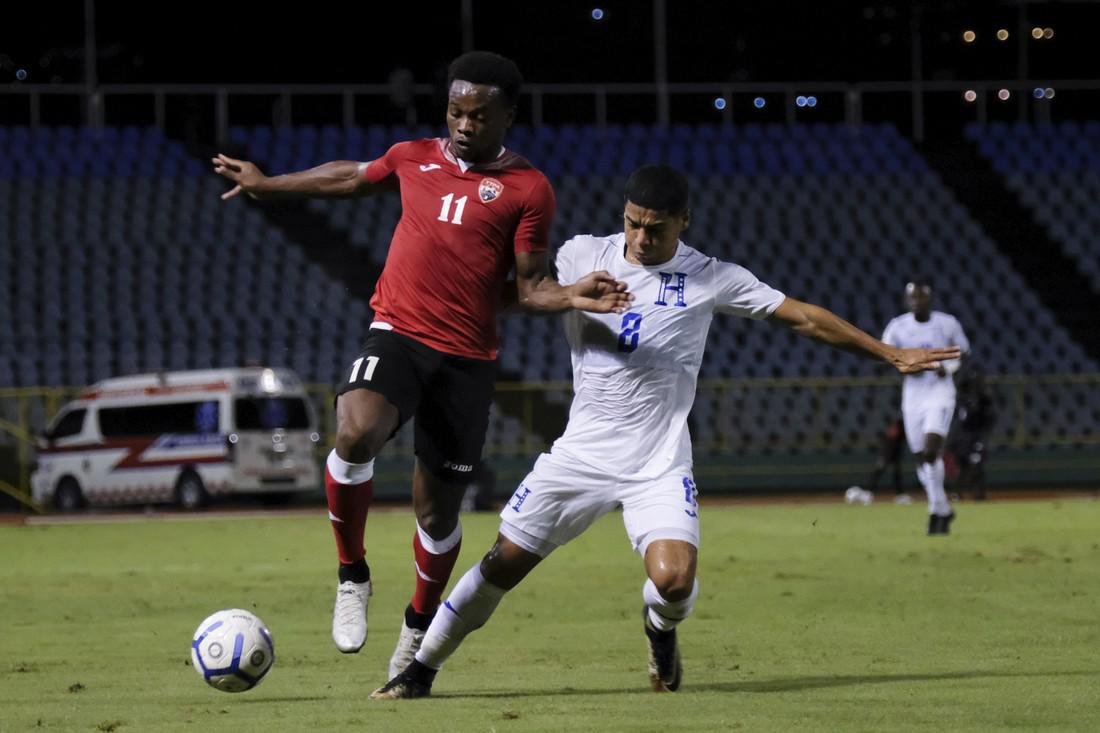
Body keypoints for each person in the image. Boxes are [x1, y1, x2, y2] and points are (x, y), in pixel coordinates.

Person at [370, 164, 961, 699]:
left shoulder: (711, 277)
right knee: (501, 563)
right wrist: (559, 296)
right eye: (632, 224)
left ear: (684, 221)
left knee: (674, 581)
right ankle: (420, 671)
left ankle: (659, 632)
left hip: (658, 459)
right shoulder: (581, 255)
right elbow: (507, 294)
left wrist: (886, 352)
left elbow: (803, 317)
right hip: (582, 453)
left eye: (655, 228)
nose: (641, 239)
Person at [212, 51, 633, 677]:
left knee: (436, 516)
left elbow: (529, 286)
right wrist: (267, 183)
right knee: (354, 432)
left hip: (466, 362)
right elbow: (348, 178)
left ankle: (416, 625)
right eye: (456, 110)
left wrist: (571, 295)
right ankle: (352, 574)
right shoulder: (413, 157)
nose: (464, 124)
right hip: (398, 335)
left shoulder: (528, 189)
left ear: (507, 117)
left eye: (479, 114)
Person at [881, 280, 970, 534]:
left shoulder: (947, 323)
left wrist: (949, 368)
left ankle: (934, 510)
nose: (917, 302)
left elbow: (963, 352)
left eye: (922, 297)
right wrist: (907, 365)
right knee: (921, 456)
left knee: (932, 452)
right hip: (913, 396)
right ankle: (942, 508)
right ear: (907, 300)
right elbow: (885, 354)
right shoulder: (898, 327)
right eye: (913, 298)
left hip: (940, 393)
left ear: (930, 299)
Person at [948, 365, 994, 500]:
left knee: (976, 465)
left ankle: (979, 494)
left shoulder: (984, 400)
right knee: (961, 466)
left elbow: (989, 419)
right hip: (963, 437)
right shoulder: (961, 398)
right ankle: (957, 494)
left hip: (977, 435)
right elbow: (959, 419)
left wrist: (985, 434)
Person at [866, 413, 908, 503]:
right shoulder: (899, 424)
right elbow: (892, 438)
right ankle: (869, 493)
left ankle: (900, 495)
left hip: (894, 455)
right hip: (887, 454)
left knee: (896, 475)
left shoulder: (903, 424)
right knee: (878, 473)